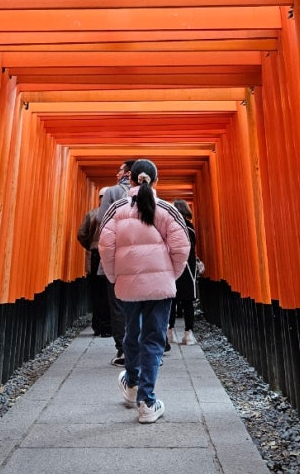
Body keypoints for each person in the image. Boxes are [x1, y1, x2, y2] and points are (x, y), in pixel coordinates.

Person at [98, 159, 190, 424]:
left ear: (131, 179)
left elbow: (106, 246)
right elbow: (181, 246)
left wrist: (116, 277)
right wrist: (169, 275)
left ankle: (132, 386)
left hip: (128, 286)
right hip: (160, 288)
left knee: (131, 333)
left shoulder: (116, 209)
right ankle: (147, 402)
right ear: (155, 180)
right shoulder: (166, 209)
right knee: (153, 338)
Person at [96, 160, 135, 366]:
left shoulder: (112, 192)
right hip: (139, 259)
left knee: (118, 305)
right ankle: (141, 347)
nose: (116, 172)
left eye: (119, 169)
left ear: (127, 173)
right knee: (138, 304)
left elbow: (102, 219)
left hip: (115, 258)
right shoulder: (150, 194)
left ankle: (123, 349)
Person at [76, 187, 111, 336]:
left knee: (96, 292)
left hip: (95, 254)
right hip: (109, 255)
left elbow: (81, 234)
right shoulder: (113, 214)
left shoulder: (92, 214)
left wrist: (90, 245)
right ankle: (108, 327)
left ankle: (97, 326)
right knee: (109, 292)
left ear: (99, 198)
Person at [168, 199, 199, 345]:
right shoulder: (190, 228)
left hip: (172, 265)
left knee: (171, 300)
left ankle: (170, 331)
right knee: (187, 302)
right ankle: (188, 333)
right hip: (188, 266)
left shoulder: (170, 227)